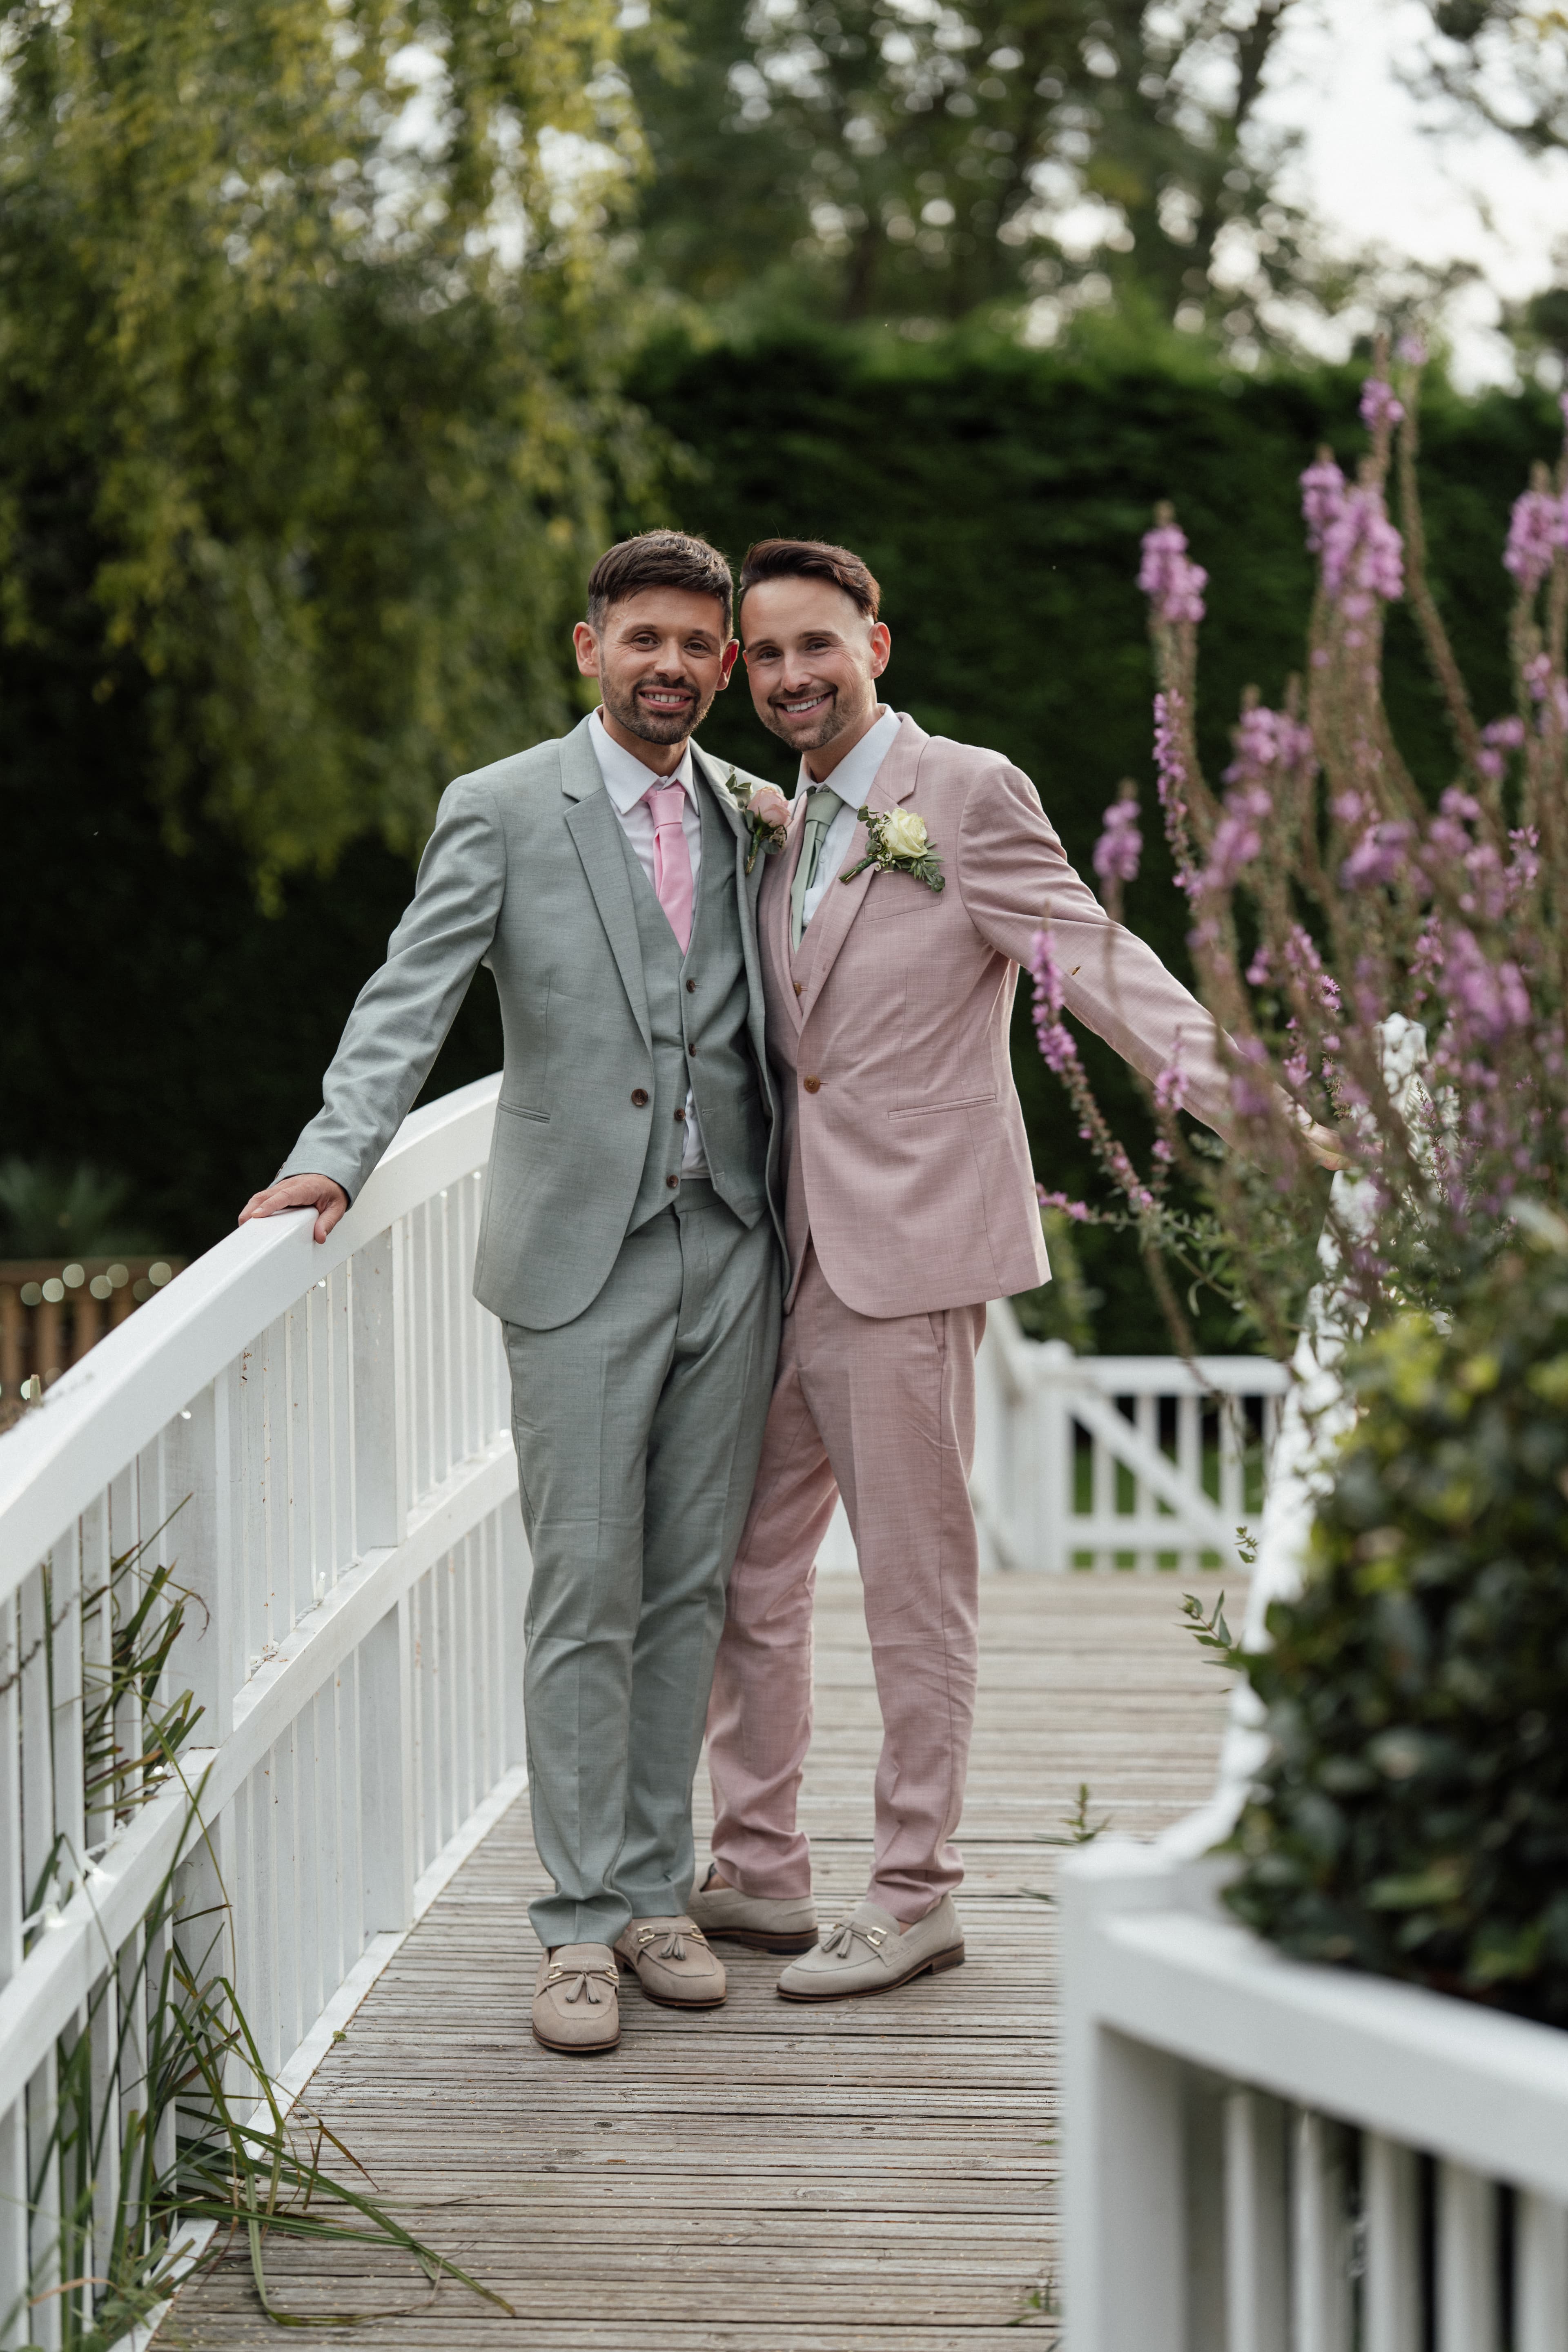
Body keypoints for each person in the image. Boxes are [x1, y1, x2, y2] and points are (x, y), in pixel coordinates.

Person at [689, 536, 1285, 1998]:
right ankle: (760, 1868)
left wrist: (1267, 1111)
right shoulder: (780, 820)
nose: (787, 678)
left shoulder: (963, 793)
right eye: (762, 657)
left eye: (813, 647)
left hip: (908, 1251)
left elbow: (1093, 957)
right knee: (746, 1571)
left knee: (912, 1583)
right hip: (787, 1249)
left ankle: (914, 1891)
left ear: (876, 646)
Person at [240, 531, 791, 2056]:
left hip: (733, 1241)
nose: (670, 667)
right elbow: (407, 997)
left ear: (726, 667)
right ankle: (574, 1926)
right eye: (643, 642)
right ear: (587, 648)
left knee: (688, 1582)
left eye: (698, 646)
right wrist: (335, 1155)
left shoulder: (756, 815)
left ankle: (656, 1892)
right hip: (576, 1255)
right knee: (581, 1584)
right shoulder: (498, 808)